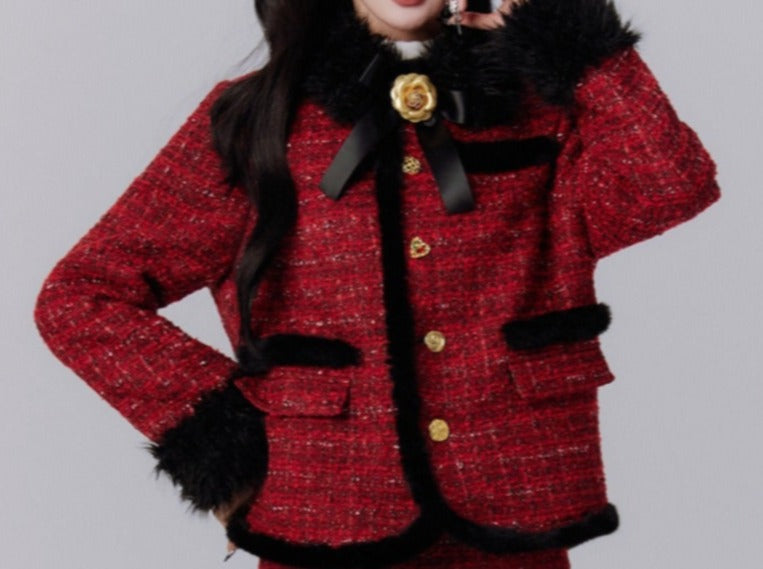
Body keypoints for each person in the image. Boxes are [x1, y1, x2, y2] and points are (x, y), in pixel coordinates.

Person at [33, 1, 722, 568]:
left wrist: (570, 38)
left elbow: (670, 186)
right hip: (326, 512)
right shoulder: (257, 119)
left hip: (512, 507)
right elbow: (83, 295)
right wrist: (225, 441)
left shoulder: (542, 107)